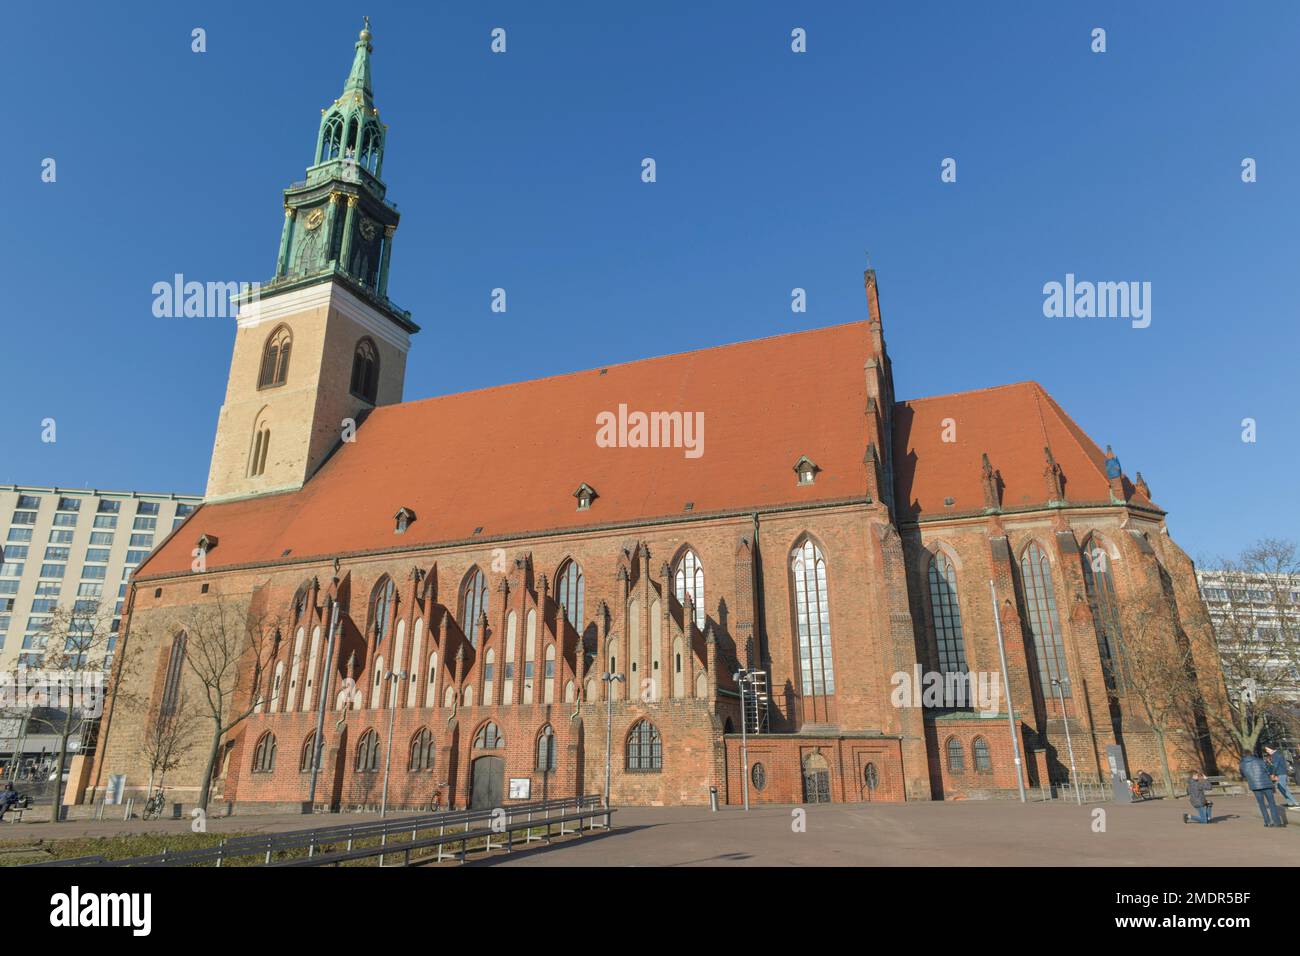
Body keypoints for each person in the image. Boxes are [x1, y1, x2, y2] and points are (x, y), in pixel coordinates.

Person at [1240, 751, 1286, 827]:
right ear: (1252, 754)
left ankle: (1267, 822)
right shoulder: (1260, 761)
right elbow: (1268, 770)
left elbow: (1243, 775)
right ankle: (1277, 822)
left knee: (1261, 804)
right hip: (1266, 784)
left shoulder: (1242, 764)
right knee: (1272, 803)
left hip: (1254, 786)